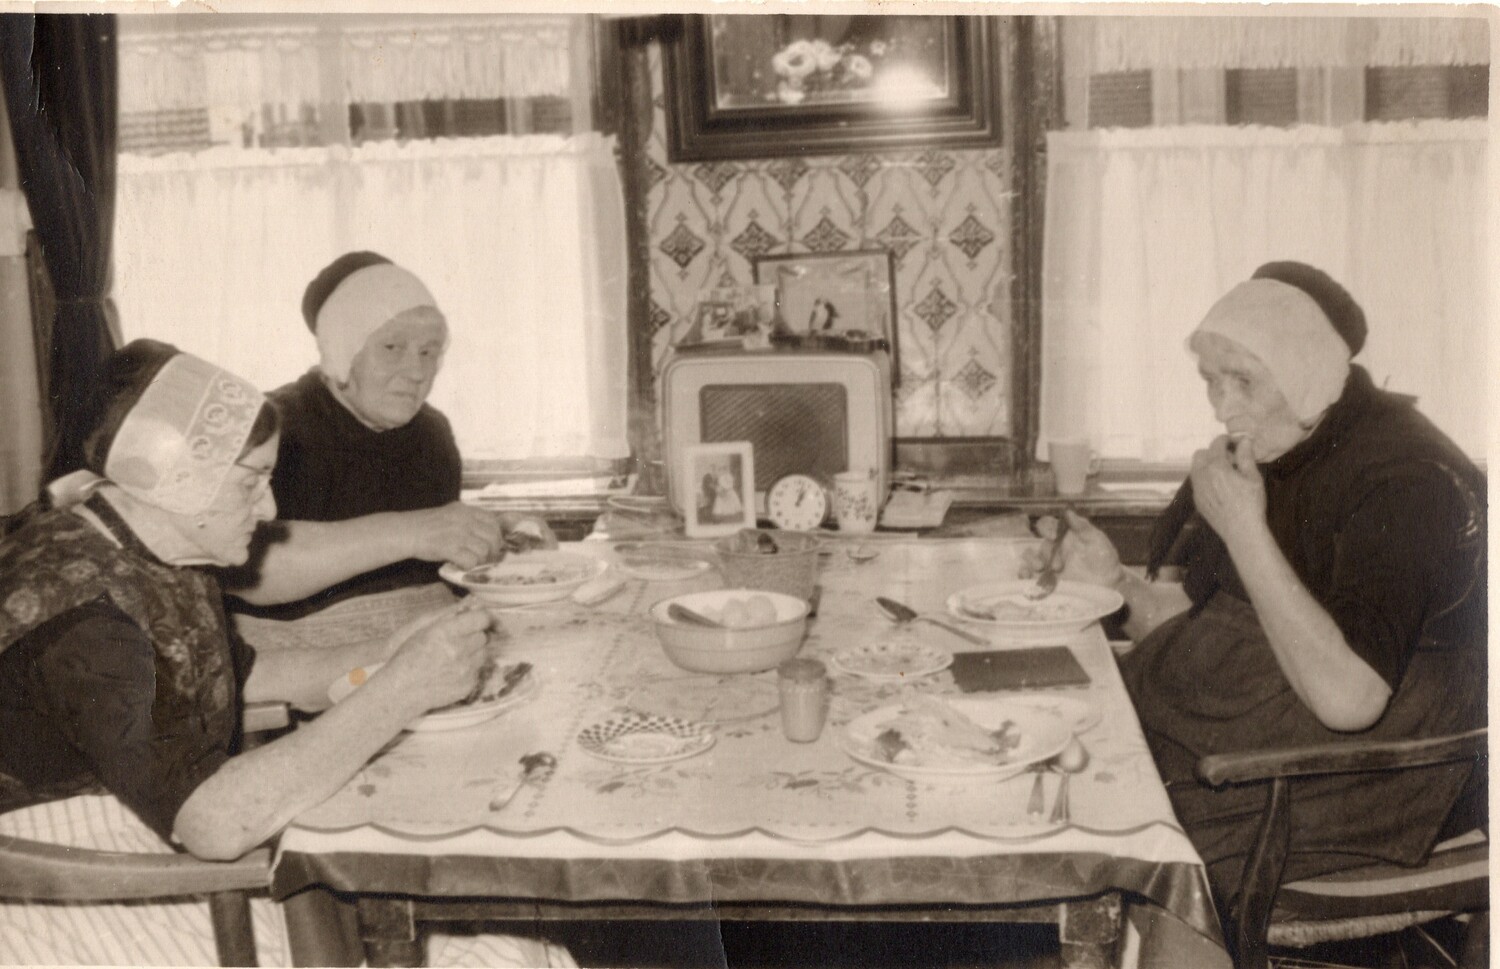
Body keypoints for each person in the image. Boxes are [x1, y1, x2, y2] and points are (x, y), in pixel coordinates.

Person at [0, 340, 573, 967]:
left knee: (499, 941)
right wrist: (401, 689)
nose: (269, 508)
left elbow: (245, 675)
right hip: (67, 888)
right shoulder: (86, 620)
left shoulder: (145, 542)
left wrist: (391, 652)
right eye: (251, 483)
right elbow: (215, 825)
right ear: (174, 477)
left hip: (139, 832)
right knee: (492, 955)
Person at [1036, 263, 1486, 910]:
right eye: (1211, 380)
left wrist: (1245, 528)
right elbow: (1212, 626)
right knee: (1057, 777)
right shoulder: (1287, 442)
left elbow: (1350, 700)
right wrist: (1114, 585)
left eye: (1243, 380)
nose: (1222, 408)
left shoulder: (1408, 480)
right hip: (1257, 733)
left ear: (1306, 371)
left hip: (1367, 774)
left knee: (1105, 838)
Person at [225, 252, 553, 647]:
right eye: (392, 347)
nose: (417, 373)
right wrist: (414, 531)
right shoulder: (271, 426)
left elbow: (433, 558)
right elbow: (244, 567)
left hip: (423, 644)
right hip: (299, 661)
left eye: (428, 352)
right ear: (343, 351)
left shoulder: (431, 432)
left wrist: (496, 533)